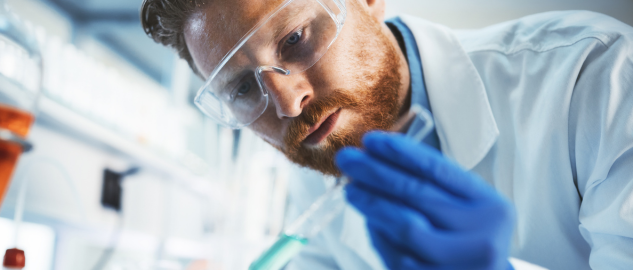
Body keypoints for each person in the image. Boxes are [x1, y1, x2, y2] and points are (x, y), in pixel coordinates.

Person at [140, 0, 633, 269]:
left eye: (294, 39)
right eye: (244, 87)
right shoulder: (319, 164)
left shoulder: (596, 75)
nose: (289, 103)